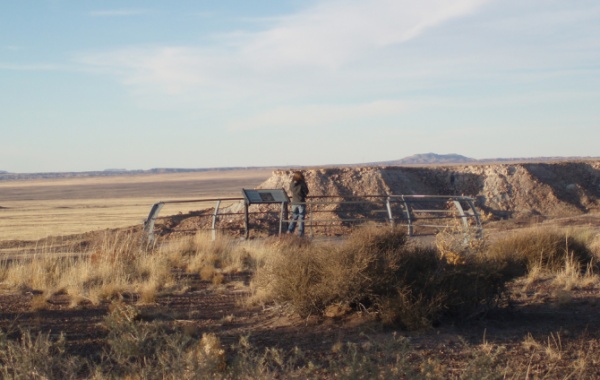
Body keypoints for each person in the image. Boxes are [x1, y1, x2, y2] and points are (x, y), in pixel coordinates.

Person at [287, 171, 309, 236]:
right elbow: (306, 191)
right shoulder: (302, 183)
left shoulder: (292, 184)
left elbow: (291, 189)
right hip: (301, 202)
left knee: (294, 217)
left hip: (294, 202)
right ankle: (300, 233)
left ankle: (290, 231)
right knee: (301, 218)